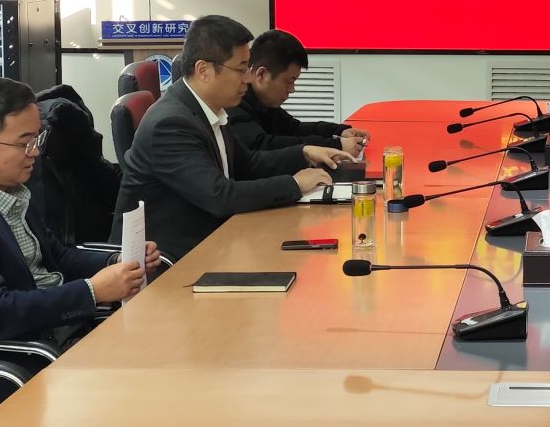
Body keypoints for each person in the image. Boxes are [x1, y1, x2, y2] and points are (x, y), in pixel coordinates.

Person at [0, 77, 160, 425]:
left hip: (56, 337)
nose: (36, 153)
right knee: (144, 397)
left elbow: (55, 255)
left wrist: (115, 260)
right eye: (24, 143)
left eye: (37, 139)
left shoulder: (6, 190)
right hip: (12, 369)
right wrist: (92, 291)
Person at [115, 14, 343, 259]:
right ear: (204, 70)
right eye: (241, 69)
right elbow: (220, 196)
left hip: (213, 238)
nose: (248, 78)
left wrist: (303, 153)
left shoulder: (209, 109)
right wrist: (295, 184)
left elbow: (249, 165)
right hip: (167, 259)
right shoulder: (170, 123)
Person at [230, 29, 367, 154]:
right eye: (289, 81)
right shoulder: (234, 103)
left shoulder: (263, 102)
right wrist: (336, 145)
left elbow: (294, 128)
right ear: (262, 74)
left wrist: (339, 131)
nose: (292, 89)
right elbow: (262, 145)